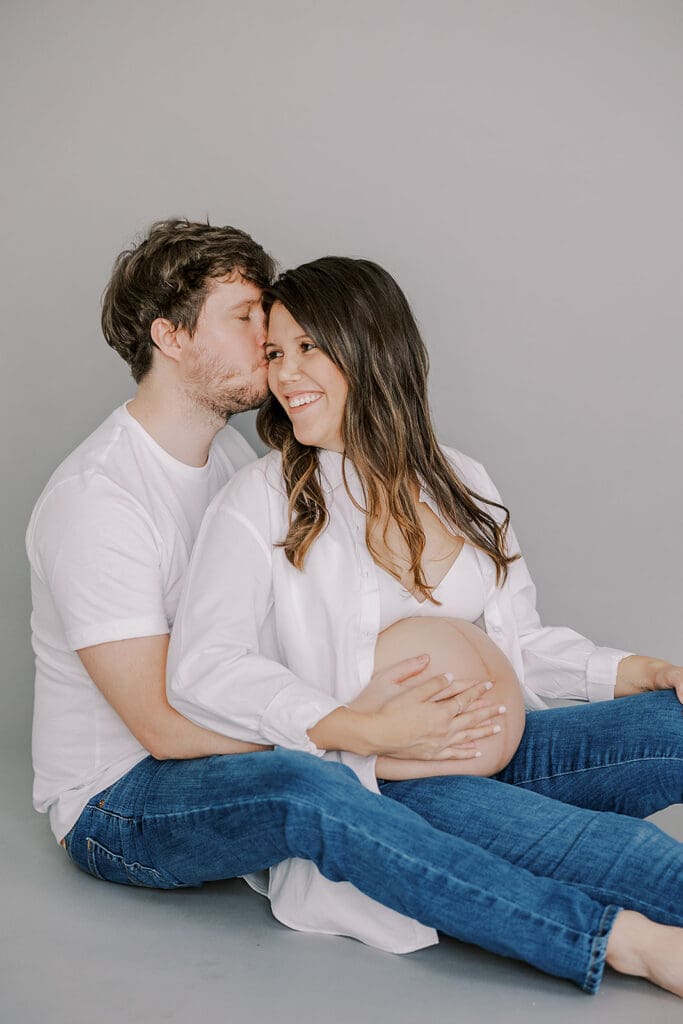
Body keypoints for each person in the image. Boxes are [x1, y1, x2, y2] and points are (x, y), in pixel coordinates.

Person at [166, 255, 683, 997]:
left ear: (373, 345)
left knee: (672, 722)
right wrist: (356, 728)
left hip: (510, 752)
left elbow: (520, 646)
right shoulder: (264, 499)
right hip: (393, 784)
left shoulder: (459, 478)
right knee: (611, 848)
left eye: (310, 346)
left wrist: (643, 671)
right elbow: (204, 664)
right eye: (275, 352)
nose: (285, 373)